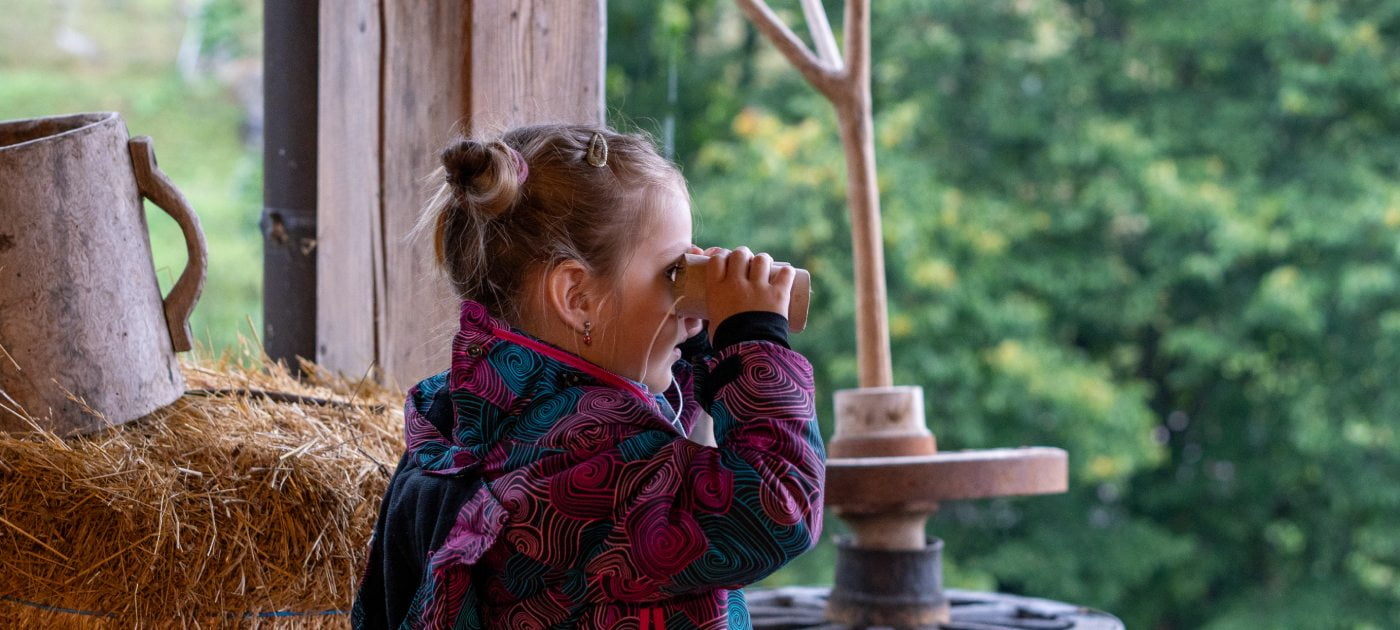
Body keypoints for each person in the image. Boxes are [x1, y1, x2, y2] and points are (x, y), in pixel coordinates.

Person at [352, 124, 824, 629]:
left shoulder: (465, 430)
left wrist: (706, 335)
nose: (691, 312)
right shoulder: (589, 470)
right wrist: (752, 338)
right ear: (576, 298)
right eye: (674, 274)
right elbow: (780, 501)